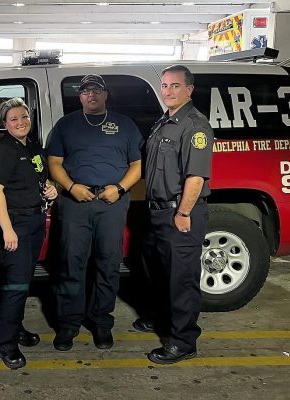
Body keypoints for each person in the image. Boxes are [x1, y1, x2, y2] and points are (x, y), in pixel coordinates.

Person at [47, 74, 142, 351]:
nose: (91, 95)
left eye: (96, 90)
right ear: (80, 96)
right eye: (86, 91)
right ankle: (68, 323)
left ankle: (101, 321)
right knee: (70, 264)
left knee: (108, 264)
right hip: (75, 202)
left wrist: (120, 189)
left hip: (111, 203)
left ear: (105, 95)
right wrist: (71, 186)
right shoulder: (66, 125)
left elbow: (136, 165)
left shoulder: (125, 125)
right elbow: (54, 162)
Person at [141, 65, 213, 364]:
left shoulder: (195, 125)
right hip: (159, 213)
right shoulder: (164, 122)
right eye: (165, 85)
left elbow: (195, 177)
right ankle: (162, 322)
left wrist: (183, 213)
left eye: (175, 86)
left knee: (182, 280)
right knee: (161, 274)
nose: (168, 91)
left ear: (189, 89)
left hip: (180, 214)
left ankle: (183, 342)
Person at [0, 97, 58, 369]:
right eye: (13, 118)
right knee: (15, 286)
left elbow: (39, 178)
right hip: (15, 225)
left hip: (35, 223)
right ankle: (6, 344)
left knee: (24, 282)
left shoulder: (32, 148)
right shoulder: (2, 151)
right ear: (5, 124)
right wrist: (7, 229)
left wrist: (50, 189)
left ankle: (15, 328)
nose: (20, 122)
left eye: (24, 117)